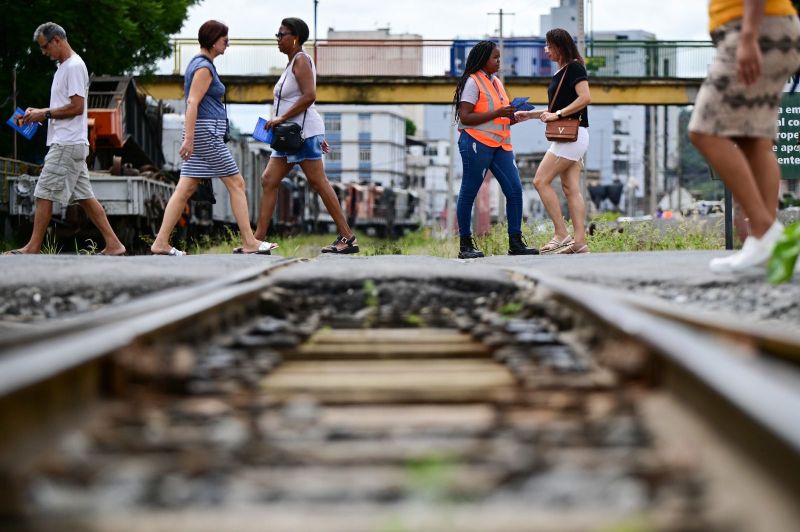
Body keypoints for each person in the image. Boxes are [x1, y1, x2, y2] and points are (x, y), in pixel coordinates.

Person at [689, 0, 800, 273]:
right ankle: (762, 243)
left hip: (754, 30)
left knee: (704, 131)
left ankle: (765, 232)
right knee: (755, 140)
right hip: (774, 30)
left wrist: (749, 35)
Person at [150, 20, 276, 256]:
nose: (227, 44)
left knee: (184, 189)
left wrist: (190, 136)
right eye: (224, 40)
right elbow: (192, 102)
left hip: (202, 132)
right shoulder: (204, 68)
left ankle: (160, 242)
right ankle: (250, 241)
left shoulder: (202, 65)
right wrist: (189, 138)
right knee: (237, 183)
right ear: (212, 39)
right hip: (205, 134)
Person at [6, 22, 126, 256]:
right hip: (72, 142)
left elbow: (77, 107)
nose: (44, 52)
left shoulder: (74, 66)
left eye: (44, 47)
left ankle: (33, 247)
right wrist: (38, 112)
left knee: (43, 191)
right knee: (85, 196)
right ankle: (114, 244)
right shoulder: (63, 67)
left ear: (57, 40)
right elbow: (66, 105)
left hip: (67, 143)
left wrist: (45, 113)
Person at [252, 17, 358, 254]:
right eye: (277, 35)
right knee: (269, 180)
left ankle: (348, 237)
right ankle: (257, 240)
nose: (278, 40)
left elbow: (310, 96)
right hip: (290, 136)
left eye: (281, 35)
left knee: (318, 183)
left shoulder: (301, 60)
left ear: (295, 37)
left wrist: (281, 118)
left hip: (301, 134)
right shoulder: (292, 63)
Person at [452, 40, 537, 259]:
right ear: (483, 60)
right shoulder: (472, 82)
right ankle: (465, 246)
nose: (499, 62)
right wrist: (499, 113)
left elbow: (499, 116)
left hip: (501, 145)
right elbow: (465, 117)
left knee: (515, 190)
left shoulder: (497, 83)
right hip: (476, 143)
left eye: (500, 58)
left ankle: (516, 243)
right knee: (469, 191)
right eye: (495, 58)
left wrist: (515, 116)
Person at [516, 28, 592, 255]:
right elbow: (553, 109)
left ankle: (561, 233)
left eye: (548, 46)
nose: (545, 50)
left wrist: (557, 115)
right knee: (570, 188)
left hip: (571, 135)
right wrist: (529, 115)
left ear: (560, 47)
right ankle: (579, 243)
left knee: (540, 181)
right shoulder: (561, 72)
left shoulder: (574, 68)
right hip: (571, 135)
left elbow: (585, 98)